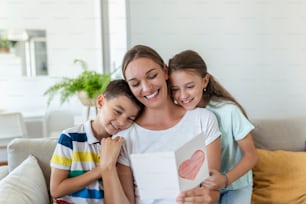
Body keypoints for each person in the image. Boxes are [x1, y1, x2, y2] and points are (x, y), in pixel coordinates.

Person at [101, 44, 222, 204]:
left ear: (165, 71)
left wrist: (209, 196)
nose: (146, 88)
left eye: (152, 76)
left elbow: (212, 191)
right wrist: (107, 168)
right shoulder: (125, 137)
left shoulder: (203, 120)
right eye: (135, 83)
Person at [168, 50, 258, 204]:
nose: (182, 96)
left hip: (235, 185)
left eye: (189, 86)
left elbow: (251, 155)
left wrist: (226, 179)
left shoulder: (228, 111)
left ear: (205, 81)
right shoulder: (181, 116)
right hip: (204, 186)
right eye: (175, 89)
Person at [50, 79, 144, 204]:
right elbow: (56, 190)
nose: (122, 122)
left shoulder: (122, 146)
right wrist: (103, 168)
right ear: (100, 102)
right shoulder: (70, 138)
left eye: (130, 119)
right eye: (117, 112)